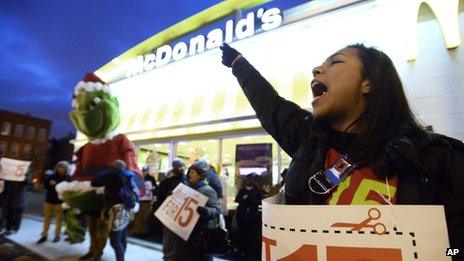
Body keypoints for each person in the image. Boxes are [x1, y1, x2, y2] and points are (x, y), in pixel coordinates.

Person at [220, 43, 464, 252]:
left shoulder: (438, 159)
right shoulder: (308, 140)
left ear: (367, 83)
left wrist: (445, 252)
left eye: (335, 62)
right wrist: (238, 63)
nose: (316, 69)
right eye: (319, 65)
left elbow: (453, 247)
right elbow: (269, 104)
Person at [168, 162, 220, 261]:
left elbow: (216, 210)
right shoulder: (185, 188)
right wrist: (172, 197)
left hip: (199, 232)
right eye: (189, 172)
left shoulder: (208, 190)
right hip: (183, 231)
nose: (189, 175)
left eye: (192, 172)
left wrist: (206, 211)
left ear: (200, 175)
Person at [91, 160, 135, 261]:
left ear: (113, 167)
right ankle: (121, 257)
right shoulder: (128, 176)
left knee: (115, 241)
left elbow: (94, 182)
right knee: (122, 238)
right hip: (126, 210)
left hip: (115, 211)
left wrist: (103, 172)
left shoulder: (110, 176)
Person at [155, 158, 186, 259]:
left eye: (183, 166)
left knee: (178, 237)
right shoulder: (167, 181)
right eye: (179, 166)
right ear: (174, 168)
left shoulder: (186, 179)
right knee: (168, 237)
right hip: (169, 211)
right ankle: (167, 256)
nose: (182, 168)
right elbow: (160, 197)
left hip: (182, 212)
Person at [37, 161, 71, 244]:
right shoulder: (51, 176)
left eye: (63, 168)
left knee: (59, 220)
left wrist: (56, 184)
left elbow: (68, 189)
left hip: (59, 202)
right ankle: (44, 235)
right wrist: (48, 183)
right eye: (60, 167)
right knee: (47, 219)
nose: (61, 169)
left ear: (66, 169)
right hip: (49, 200)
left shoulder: (68, 178)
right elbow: (45, 186)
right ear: (57, 167)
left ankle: (57, 235)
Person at [234, 174, 263, 257]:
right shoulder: (242, 190)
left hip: (253, 215)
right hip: (242, 215)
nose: (248, 181)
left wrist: (250, 200)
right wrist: (244, 200)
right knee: (242, 233)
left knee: (252, 234)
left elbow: (260, 201)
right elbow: (237, 200)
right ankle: (242, 250)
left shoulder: (257, 190)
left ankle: (251, 250)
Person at [0, 168, 32, 237]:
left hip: (19, 200)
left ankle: (14, 229)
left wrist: (24, 175)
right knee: (9, 215)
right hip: (9, 199)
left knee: (17, 216)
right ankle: (7, 229)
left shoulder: (25, 176)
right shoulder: (10, 177)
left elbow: (28, 182)